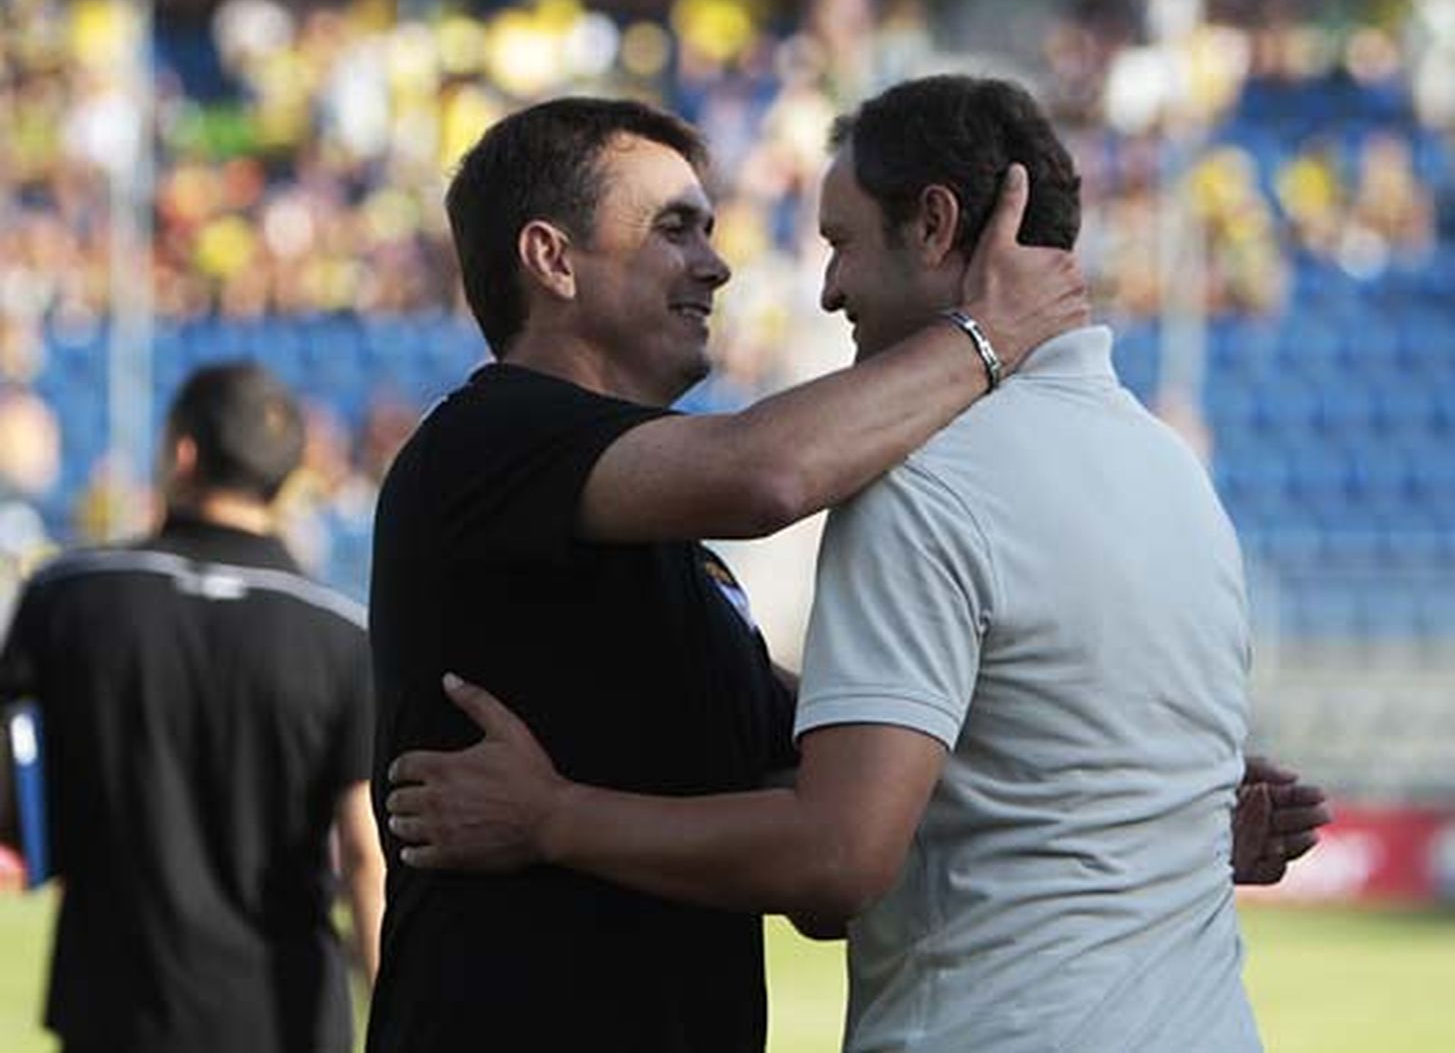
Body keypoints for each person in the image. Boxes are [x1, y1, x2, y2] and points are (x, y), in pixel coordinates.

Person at [386, 76, 1332, 1051]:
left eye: (833, 246)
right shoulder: (484, 440)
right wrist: (990, 335)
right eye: (675, 228)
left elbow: (842, 799)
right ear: (551, 258)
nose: (721, 268)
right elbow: (767, 474)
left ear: (933, 227)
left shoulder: (681, 557)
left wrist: (1138, 795)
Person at [0, 362, 383, 1053]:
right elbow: (365, 853)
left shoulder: (66, 598)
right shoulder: (342, 638)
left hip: (116, 1010)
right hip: (283, 1014)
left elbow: (16, 802)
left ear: (182, 453)